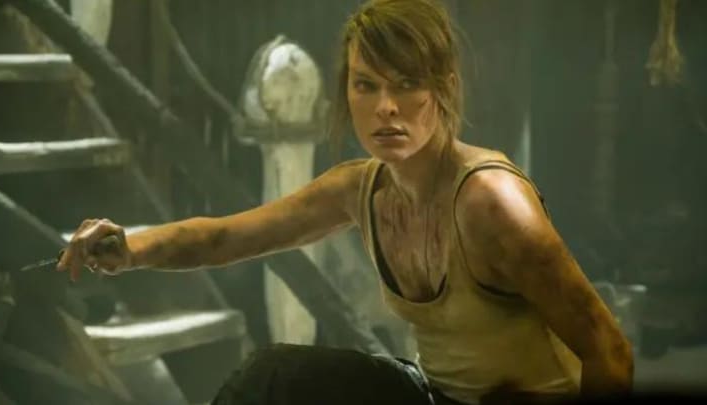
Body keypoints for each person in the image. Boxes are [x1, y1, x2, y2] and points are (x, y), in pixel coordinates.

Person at [57, 0, 634, 403]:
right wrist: (131, 247)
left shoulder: (492, 202)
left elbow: (610, 353)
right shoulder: (360, 188)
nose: (386, 106)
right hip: (435, 396)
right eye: (366, 85)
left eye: (407, 84)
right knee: (274, 378)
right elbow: (227, 237)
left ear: (445, 89)